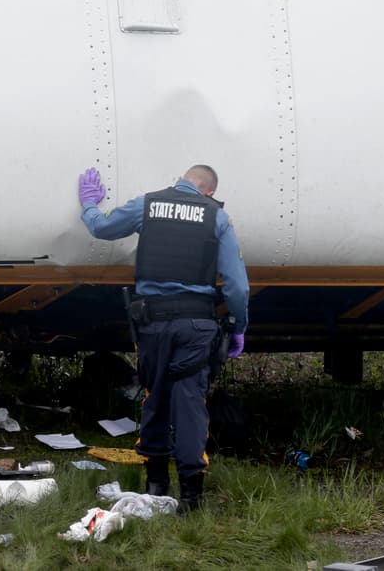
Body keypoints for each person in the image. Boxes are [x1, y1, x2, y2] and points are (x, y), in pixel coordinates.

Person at [77, 164, 249, 512]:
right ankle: (191, 497)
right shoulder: (216, 217)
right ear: (209, 192)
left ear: (181, 181)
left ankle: (155, 486)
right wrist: (238, 327)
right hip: (196, 326)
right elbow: (237, 286)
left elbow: (101, 228)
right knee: (190, 404)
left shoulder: (148, 205)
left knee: (154, 397)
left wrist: (89, 204)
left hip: (151, 324)